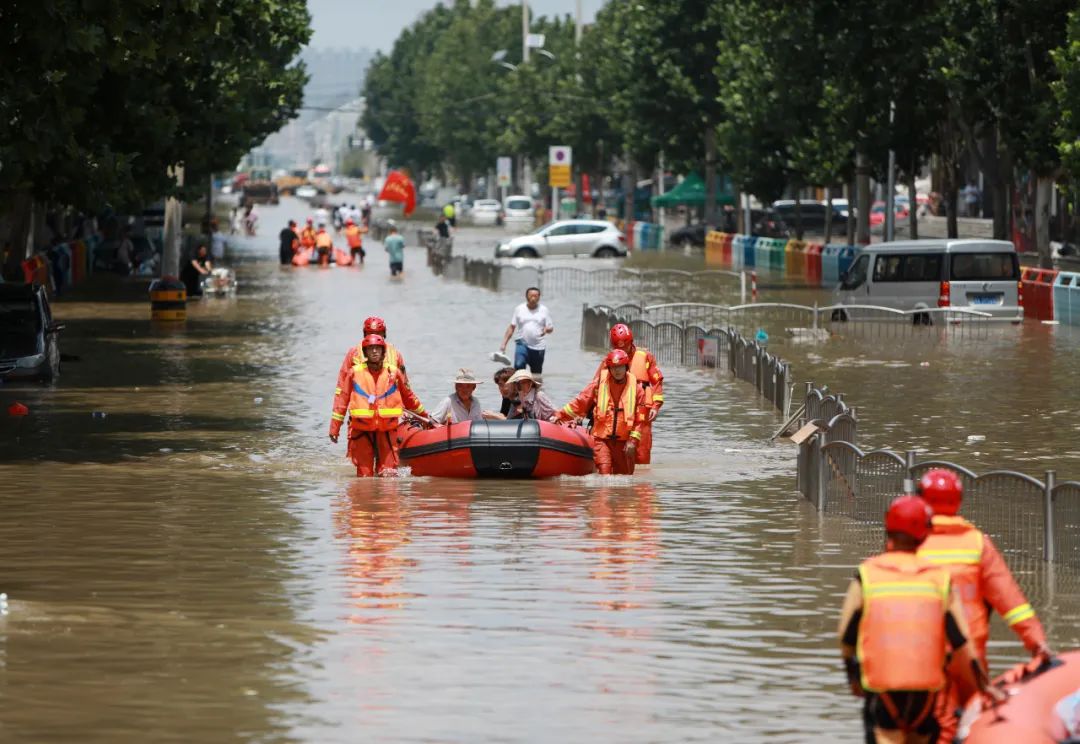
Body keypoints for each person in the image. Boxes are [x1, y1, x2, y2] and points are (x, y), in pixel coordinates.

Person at [838, 495, 1003, 744]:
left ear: (887, 528)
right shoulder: (939, 579)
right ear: (925, 534)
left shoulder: (867, 575)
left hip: (883, 693)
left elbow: (846, 636)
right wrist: (983, 687)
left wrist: (853, 677)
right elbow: (961, 642)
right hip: (926, 697)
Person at [915, 469, 1051, 741]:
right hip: (969, 660)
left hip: (920, 657)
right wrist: (1038, 644)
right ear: (959, 501)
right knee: (966, 729)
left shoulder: (909, 542)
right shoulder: (977, 543)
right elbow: (1011, 602)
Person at [329, 334, 426, 477]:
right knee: (364, 476)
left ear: (383, 351)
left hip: (387, 432)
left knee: (388, 475)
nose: (374, 351)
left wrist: (425, 416)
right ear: (365, 352)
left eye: (377, 348)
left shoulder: (394, 373)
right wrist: (334, 429)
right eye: (371, 349)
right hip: (362, 432)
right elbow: (342, 402)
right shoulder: (354, 373)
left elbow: (409, 397)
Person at [552, 349, 646, 475]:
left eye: (620, 367)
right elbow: (581, 401)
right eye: (613, 367)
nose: (617, 371)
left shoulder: (638, 390)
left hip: (625, 442)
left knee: (625, 481)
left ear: (626, 367)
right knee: (604, 476)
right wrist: (560, 415)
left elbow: (640, 419)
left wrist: (633, 441)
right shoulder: (599, 384)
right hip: (602, 440)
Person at [598, 324, 664, 465]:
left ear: (631, 342)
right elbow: (595, 386)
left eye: (625, 347)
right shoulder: (609, 360)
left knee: (642, 456)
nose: (623, 351)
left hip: (642, 411)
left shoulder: (645, 356)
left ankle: (640, 484)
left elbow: (657, 381)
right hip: (618, 412)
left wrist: (655, 406)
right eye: (618, 348)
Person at [336, 316, 409, 392]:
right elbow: (342, 383)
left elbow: (404, 384)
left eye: (378, 334)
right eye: (370, 334)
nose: (374, 338)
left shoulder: (395, 354)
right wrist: (340, 403)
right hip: (363, 397)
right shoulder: (354, 353)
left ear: (384, 334)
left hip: (388, 397)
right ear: (365, 335)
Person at [500, 287, 554, 373]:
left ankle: (533, 386)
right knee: (519, 365)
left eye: (536, 296)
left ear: (539, 297)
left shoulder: (544, 310)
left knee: (536, 374)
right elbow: (512, 327)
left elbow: (551, 328)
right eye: (531, 296)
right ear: (526, 296)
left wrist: (546, 330)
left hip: (538, 346)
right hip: (522, 343)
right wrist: (504, 344)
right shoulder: (519, 309)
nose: (533, 298)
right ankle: (518, 385)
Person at [431, 368, 500, 424]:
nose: (464, 390)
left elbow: (479, 424)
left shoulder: (476, 402)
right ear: (456, 387)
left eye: (468, 386)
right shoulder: (448, 401)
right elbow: (433, 421)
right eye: (460, 386)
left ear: (474, 387)